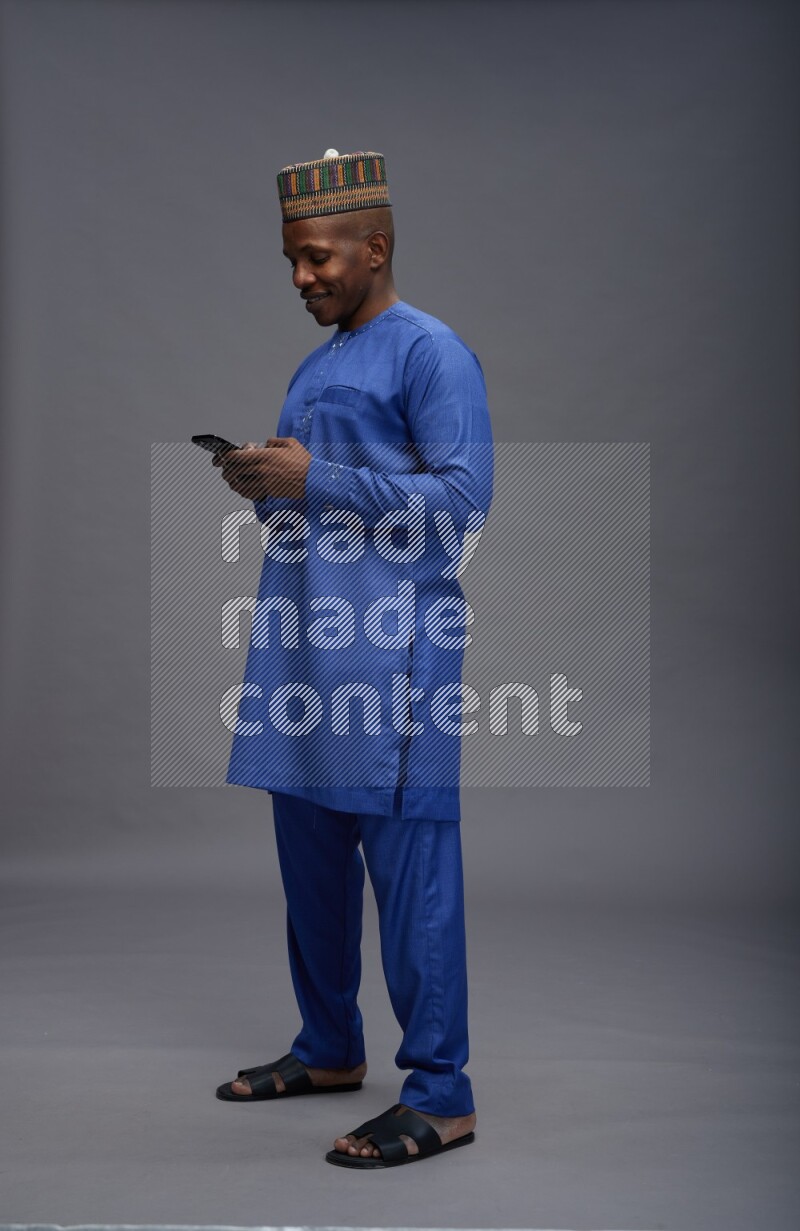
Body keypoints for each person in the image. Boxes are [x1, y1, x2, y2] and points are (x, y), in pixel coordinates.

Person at [211, 149, 494, 1168]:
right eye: (291, 260)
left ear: (374, 248)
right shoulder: (318, 365)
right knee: (313, 865)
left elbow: (461, 505)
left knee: (411, 874)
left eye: (318, 258)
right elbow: (321, 498)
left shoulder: (432, 354)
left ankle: (442, 1093)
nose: (301, 277)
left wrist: (315, 476)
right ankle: (329, 1046)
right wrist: (267, 482)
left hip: (392, 659)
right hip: (303, 652)